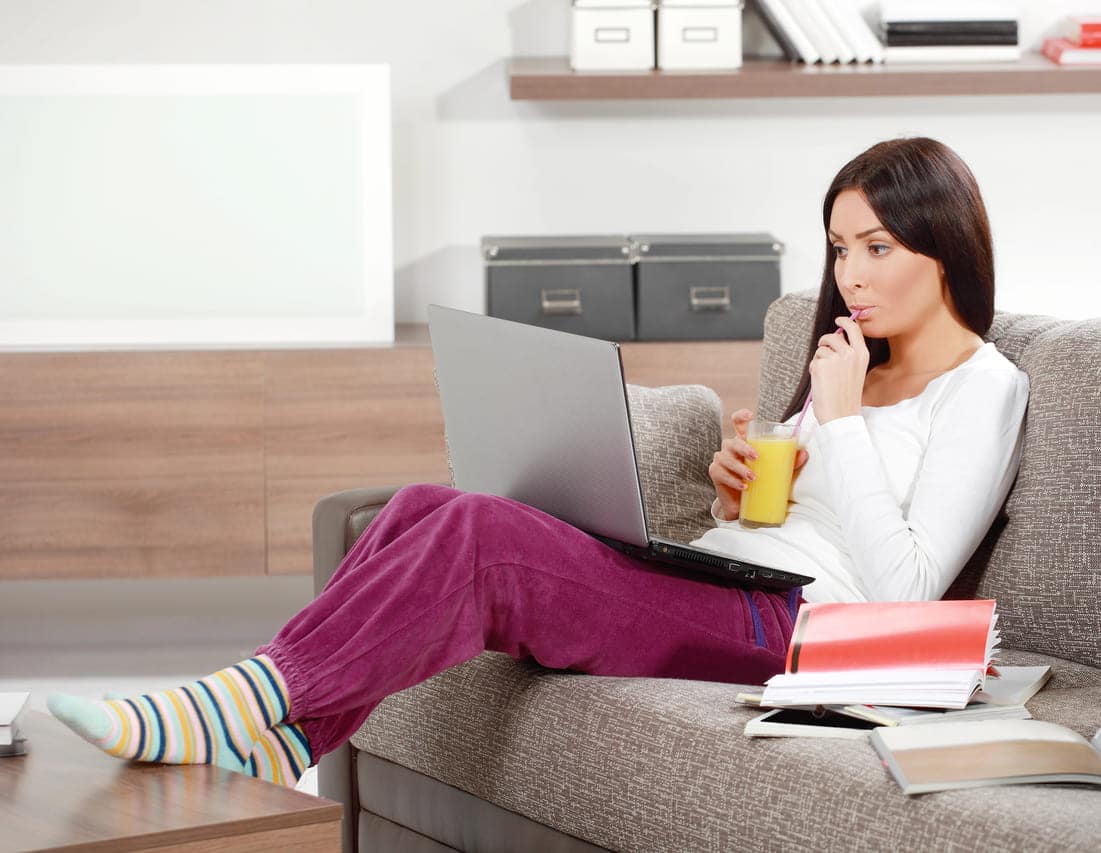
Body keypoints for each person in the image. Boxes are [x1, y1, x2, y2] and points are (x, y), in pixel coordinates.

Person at [48, 137, 1029, 788]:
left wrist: (844, 422)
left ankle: (234, 701)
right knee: (423, 503)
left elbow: (906, 584)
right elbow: (805, 523)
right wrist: (751, 486)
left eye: (876, 247)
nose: (850, 277)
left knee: (482, 537)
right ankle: (283, 739)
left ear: (943, 247)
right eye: (838, 250)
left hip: (807, 636)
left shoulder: (984, 387)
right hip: (743, 576)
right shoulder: (852, 368)